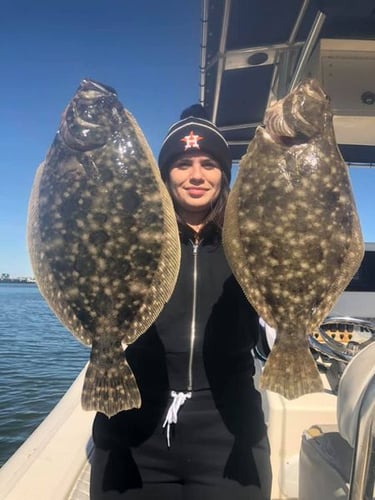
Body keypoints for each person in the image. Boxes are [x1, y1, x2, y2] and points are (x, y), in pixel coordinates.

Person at [90, 107, 272, 500]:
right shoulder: (130, 234)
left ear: (224, 173)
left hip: (229, 426)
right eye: (182, 163)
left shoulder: (253, 238)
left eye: (209, 163)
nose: (196, 175)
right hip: (132, 422)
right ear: (164, 173)